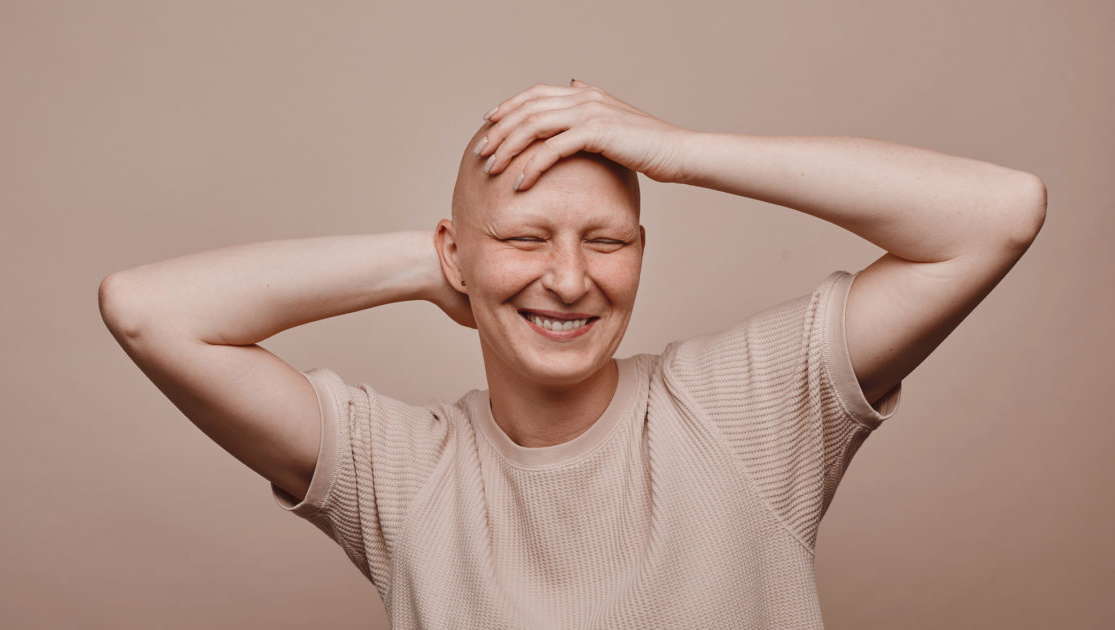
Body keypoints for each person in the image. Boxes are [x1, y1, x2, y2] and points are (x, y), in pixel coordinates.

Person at [98, 79, 1046, 629]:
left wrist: (676, 150)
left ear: (641, 255)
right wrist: (444, 264)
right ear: (456, 250)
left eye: (607, 241)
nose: (568, 279)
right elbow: (147, 311)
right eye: (525, 241)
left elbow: (996, 215)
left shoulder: (745, 409)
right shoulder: (402, 474)